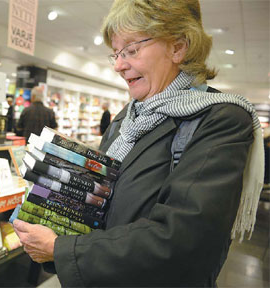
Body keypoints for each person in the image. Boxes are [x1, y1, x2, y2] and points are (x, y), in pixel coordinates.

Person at [13, 1, 264, 286]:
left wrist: (61, 249)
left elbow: (184, 239)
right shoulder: (126, 119)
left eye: (131, 50)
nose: (119, 65)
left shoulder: (220, 119)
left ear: (178, 47)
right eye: (116, 53)